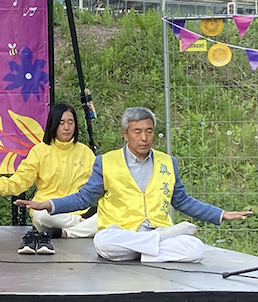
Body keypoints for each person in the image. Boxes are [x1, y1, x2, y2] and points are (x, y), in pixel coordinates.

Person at [15, 107, 252, 263]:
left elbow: (182, 201)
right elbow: (84, 198)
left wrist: (220, 214)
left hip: (153, 229)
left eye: (149, 131)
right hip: (122, 231)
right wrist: (49, 204)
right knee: (103, 243)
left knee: (196, 248)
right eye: (137, 132)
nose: (144, 137)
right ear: (125, 134)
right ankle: (157, 244)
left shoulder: (168, 163)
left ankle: (146, 247)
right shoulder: (106, 162)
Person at [0, 103, 97, 255]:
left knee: (110, 216)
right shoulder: (40, 151)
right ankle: (80, 227)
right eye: (61, 123)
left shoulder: (86, 153)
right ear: (53, 124)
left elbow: (98, 184)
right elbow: (22, 178)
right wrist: (1, 187)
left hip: (80, 211)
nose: (67, 128)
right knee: (39, 215)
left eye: (71, 122)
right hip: (49, 212)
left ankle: (64, 233)